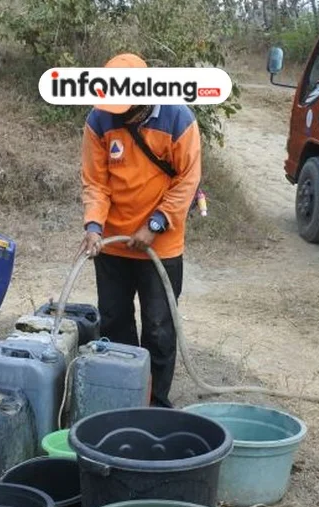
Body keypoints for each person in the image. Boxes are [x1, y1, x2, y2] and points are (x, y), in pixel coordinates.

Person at [78, 53, 203, 409]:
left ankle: (156, 404)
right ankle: (124, 396)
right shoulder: (98, 119)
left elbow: (187, 181)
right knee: (114, 321)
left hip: (160, 246)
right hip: (113, 245)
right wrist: (93, 225)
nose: (118, 115)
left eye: (125, 109)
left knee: (159, 327)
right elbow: (95, 182)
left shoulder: (179, 119)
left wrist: (155, 224)